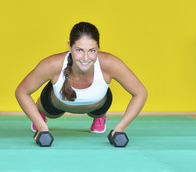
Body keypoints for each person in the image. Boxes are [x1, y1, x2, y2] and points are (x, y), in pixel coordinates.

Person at [15, 22, 148, 141]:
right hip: (54, 106)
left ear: (98, 47)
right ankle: (40, 116)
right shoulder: (52, 65)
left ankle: (99, 117)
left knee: (101, 106)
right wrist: (41, 127)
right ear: (69, 47)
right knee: (50, 112)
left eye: (91, 51)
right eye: (79, 50)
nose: (85, 58)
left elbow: (140, 93)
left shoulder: (110, 64)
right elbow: (21, 92)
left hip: (98, 106)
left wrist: (120, 128)